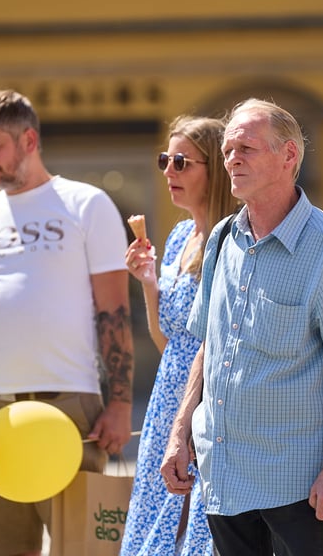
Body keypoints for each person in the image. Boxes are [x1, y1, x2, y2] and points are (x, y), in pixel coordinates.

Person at [0, 89, 134, 556]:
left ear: (29, 140)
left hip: (69, 408)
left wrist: (119, 403)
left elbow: (114, 312)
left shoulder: (86, 204)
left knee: (81, 550)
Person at [160, 99, 323, 556]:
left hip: (293, 482)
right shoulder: (222, 238)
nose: (232, 160)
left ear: (289, 155)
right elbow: (208, 347)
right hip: (223, 474)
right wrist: (180, 435)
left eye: (246, 148)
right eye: (227, 150)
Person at [121, 116, 236, 556]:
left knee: (195, 523)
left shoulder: (233, 240)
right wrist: (148, 282)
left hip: (210, 400)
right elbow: (166, 341)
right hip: (169, 394)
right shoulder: (180, 235)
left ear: (215, 170)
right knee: (160, 518)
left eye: (182, 162)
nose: (169, 171)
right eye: (164, 160)